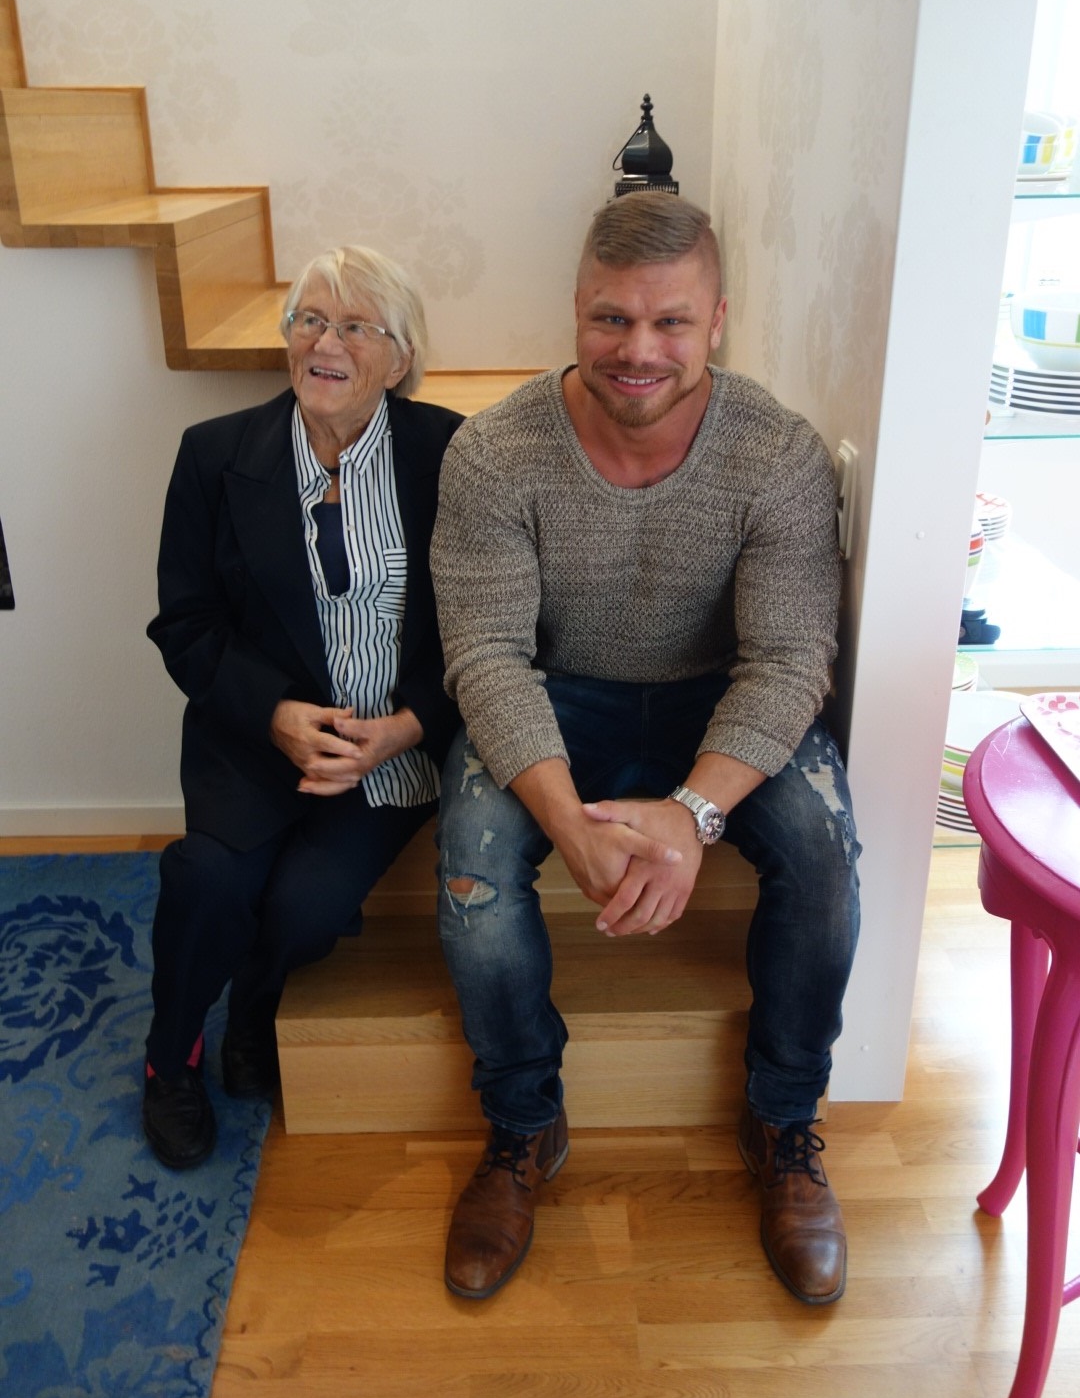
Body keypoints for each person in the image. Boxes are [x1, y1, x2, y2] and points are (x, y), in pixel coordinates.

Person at [429, 192, 861, 1305]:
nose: (639, 349)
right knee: (474, 862)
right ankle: (522, 1124)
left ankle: (784, 1120)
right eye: (612, 318)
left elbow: (789, 660)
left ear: (717, 319)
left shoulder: (778, 453)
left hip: (720, 697)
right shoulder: (493, 452)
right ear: (575, 310)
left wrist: (693, 815)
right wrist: (567, 823)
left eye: (670, 321)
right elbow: (485, 656)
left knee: (823, 853)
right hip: (557, 696)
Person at [142, 245, 461, 1169]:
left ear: (399, 359)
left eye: (356, 326)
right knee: (208, 882)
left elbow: (484, 622)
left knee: (307, 908)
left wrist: (406, 728)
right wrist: (276, 716)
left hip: (389, 750)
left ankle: (253, 1010)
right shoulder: (214, 456)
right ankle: (170, 1055)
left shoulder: (448, 454)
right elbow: (185, 625)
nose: (325, 343)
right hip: (254, 738)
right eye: (310, 320)